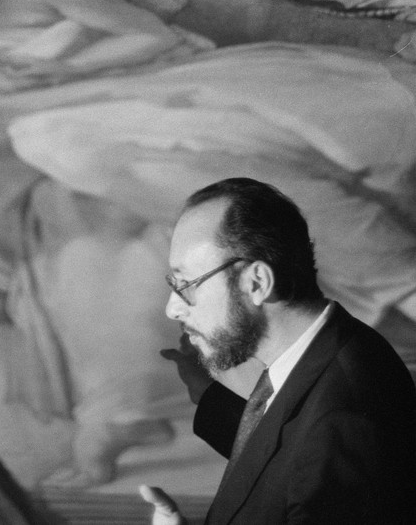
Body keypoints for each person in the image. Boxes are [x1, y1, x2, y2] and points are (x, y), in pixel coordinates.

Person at [140, 177, 416, 525]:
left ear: (257, 283)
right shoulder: (328, 350)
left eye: (186, 285)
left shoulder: (344, 420)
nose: (172, 309)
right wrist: (206, 394)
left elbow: (315, 453)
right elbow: (281, 465)